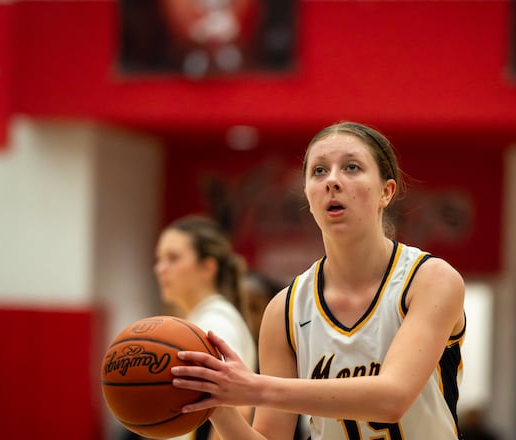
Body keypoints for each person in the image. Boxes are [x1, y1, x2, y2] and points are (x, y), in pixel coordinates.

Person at [170, 121, 467, 439]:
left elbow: (392, 397)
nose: (333, 181)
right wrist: (219, 404)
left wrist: (253, 387)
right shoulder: (284, 310)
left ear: (386, 192)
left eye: (352, 167)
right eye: (319, 171)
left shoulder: (431, 280)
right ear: (308, 198)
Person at [154, 215, 257, 440]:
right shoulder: (200, 319)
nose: (160, 268)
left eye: (173, 258)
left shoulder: (215, 322)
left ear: (207, 268)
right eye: (159, 259)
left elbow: (236, 409)